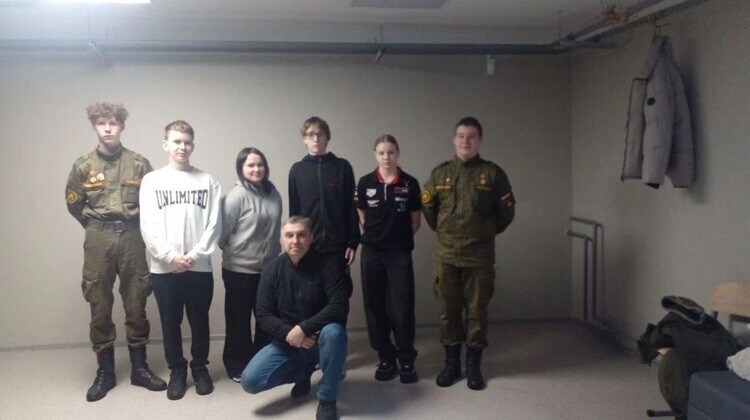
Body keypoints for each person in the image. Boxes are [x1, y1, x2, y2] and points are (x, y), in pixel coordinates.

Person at [65, 101, 166, 402]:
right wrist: (97, 227)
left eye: (113, 123)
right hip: (99, 239)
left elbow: (154, 203)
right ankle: (105, 373)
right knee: (99, 303)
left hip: (133, 236)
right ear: (94, 126)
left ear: (122, 126)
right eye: (101, 123)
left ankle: (140, 369)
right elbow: (74, 204)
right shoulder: (83, 166)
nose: (107, 128)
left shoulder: (139, 164)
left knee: (137, 300)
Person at [422, 117, 516, 391]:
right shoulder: (440, 174)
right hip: (447, 255)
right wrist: (447, 233)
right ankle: (451, 365)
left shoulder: (492, 174)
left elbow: (506, 213)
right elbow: (429, 211)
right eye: (461, 136)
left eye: (472, 136)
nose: (466, 141)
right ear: (454, 139)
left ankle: (474, 366)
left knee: (477, 311)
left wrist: (483, 234)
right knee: (448, 311)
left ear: (480, 140)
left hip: (479, 257)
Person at [139, 120, 221, 400]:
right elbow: (147, 225)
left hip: (199, 267)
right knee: (170, 323)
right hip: (164, 269)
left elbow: (214, 225)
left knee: (200, 321)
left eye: (187, 142)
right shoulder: (152, 181)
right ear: (166, 144)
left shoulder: (207, 181)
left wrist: (194, 255)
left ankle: (200, 368)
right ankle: (177, 370)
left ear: (193, 145)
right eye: (176, 141)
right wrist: (169, 257)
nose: (182, 147)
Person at [241, 216, 348, 420]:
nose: (295, 240)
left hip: (320, 339)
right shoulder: (272, 270)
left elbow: (339, 306)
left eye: (301, 235)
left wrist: (303, 329)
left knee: (335, 333)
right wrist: (291, 334)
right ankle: (304, 372)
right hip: (287, 341)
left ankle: (327, 397)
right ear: (281, 238)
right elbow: (263, 314)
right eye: (289, 235)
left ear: (311, 238)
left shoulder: (329, 265)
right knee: (250, 381)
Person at [355, 135, 421, 383]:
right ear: (375, 154)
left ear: (397, 153)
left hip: (399, 254)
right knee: (374, 306)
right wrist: (376, 235)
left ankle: (406, 358)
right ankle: (385, 356)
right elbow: (362, 214)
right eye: (382, 152)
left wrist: (396, 239)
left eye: (391, 152)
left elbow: (415, 222)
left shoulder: (410, 183)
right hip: (372, 254)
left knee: (402, 307)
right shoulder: (365, 182)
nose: (386, 157)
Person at [219, 147, 282, 382]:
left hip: (269, 269)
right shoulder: (235, 196)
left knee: (266, 319)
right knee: (239, 320)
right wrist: (240, 252)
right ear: (241, 169)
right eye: (251, 165)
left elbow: (276, 230)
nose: (256, 169)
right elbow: (222, 236)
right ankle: (236, 364)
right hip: (239, 270)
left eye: (260, 165)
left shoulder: (273, 194)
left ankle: (261, 362)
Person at [288, 116, 360, 293]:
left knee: (338, 296)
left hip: (337, 246)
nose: (316, 139)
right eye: (310, 134)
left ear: (327, 138)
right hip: (308, 246)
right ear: (304, 139)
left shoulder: (342, 167)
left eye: (320, 134)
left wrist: (353, 242)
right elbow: (294, 212)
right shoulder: (297, 170)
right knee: (310, 297)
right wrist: (294, 243)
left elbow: (351, 207)